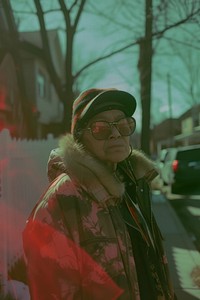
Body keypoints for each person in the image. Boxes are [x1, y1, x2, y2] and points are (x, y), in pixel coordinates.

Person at [23, 88, 176, 300]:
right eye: (100, 128)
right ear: (80, 138)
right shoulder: (64, 198)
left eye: (122, 124)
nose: (115, 134)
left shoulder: (133, 185)